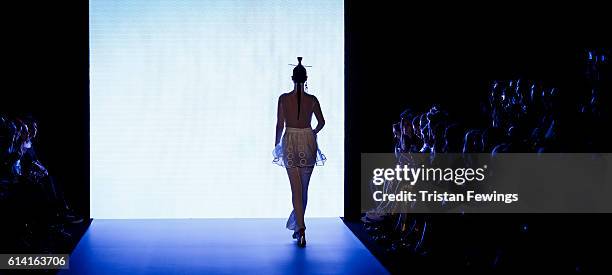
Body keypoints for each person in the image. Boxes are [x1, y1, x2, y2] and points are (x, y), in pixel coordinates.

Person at [273, 57, 326, 248]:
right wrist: (312, 133)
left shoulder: (283, 99)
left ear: (292, 78)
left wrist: (276, 144)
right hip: (307, 140)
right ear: (306, 78)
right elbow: (321, 122)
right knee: (303, 188)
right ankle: (300, 227)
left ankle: (300, 227)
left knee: (296, 188)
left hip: (290, 140)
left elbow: (280, 124)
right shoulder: (312, 100)